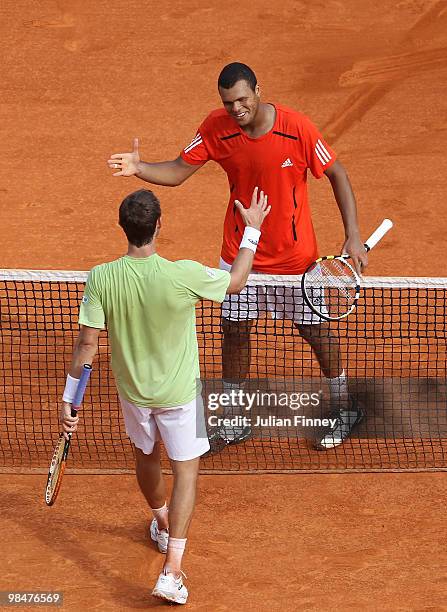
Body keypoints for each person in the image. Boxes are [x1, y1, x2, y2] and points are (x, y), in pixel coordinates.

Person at [107, 62, 368, 451]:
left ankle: (344, 405)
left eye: (242, 99)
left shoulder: (296, 128)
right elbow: (179, 171)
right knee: (234, 331)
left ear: (258, 91)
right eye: (229, 102)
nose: (236, 109)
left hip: (295, 260)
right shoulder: (216, 127)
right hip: (240, 253)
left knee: (315, 331)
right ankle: (234, 418)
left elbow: (338, 174)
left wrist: (353, 234)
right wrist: (139, 167)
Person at [59, 186, 270, 604]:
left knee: (146, 457)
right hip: (178, 394)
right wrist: (253, 231)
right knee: (186, 471)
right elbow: (237, 281)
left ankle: (159, 522)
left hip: (134, 394)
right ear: (158, 225)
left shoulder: (101, 277)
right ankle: (172, 570)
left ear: (124, 228)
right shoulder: (183, 274)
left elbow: (87, 346)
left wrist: (71, 398)